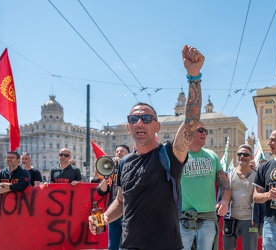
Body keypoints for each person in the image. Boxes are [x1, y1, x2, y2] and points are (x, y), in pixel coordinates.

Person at [89, 44, 204, 249]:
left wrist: (193, 77)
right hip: (129, 245)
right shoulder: (124, 162)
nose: (140, 122)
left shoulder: (169, 154)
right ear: (128, 126)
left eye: (146, 118)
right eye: (134, 118)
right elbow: (121, 201)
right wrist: (105, 217)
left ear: (157, 126)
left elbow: (191, 123)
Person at [179, 122, 231, 250]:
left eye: (205, 131)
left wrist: (224, 200)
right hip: (184, 218)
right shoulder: (179, 156)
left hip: (208, 218)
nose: (204, 133)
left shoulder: (212, 155)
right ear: (189, 132)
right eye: (200, 130)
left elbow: (224, 182)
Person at [222, 144, 259, 250]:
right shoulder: (228, 175)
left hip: (250, 220)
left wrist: (260, 222)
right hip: (230, 219)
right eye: (240, 154)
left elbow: (261, 202)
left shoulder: (257, 176)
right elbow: (222, 197)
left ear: (251, 157)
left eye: (246, 154)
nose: (242, 156)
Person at [96, 144, 130, 250]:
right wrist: (106, 178)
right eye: (117, 152)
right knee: (112, 245)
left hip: (127, 214)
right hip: (113, 213)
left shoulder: (132, 169)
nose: (118, 153)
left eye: (122, 151)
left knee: (127, 245)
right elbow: (100, 191)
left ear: (128, 154)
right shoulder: (112, 171)